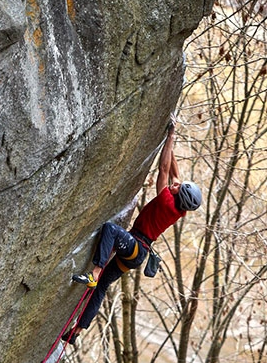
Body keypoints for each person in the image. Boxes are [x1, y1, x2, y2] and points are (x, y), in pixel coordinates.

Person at [63, 118, 202, 345]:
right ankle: (77, 331)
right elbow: (175, 175)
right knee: (101, 289)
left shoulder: (167, 200)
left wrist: (172, 138)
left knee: (110, 230)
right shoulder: (180, 209)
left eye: (178, 187)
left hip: (135, 246)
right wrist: (170, 140)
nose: (176, 183)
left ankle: (94, 273)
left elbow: (164, 169)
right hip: (138, 255)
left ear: (178, 194)